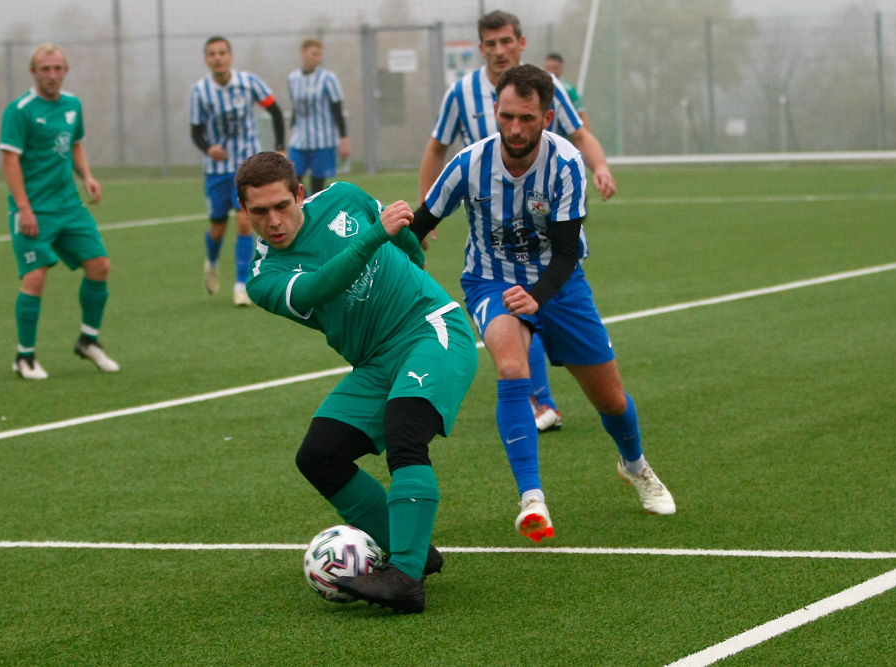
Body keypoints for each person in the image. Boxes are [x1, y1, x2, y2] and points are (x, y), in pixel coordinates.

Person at [412, 64, 675, 544]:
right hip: (491, 283)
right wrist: (403, 250)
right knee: (512, 368)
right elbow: (421, 221)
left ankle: (635, 465)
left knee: (610, 399)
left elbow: (568, 251)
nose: (515, 129)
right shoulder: (469, 164)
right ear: (494, 110)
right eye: (507, 116)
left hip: (561, 284)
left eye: (527, 119)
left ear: (547, 117)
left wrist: (536, 297)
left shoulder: (567, 163)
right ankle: (532, 499)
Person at [238, 152, 478, 613]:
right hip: (373, 362)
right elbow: (316, 289)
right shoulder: (264, 277)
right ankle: (412, 546)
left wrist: (412, 270)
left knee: (405, 433)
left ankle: (404, 577)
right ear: (243, 213)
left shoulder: (345, 196)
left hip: (430, 328)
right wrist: (375, 237)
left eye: (282, 206)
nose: (273, 221)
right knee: (319, 455)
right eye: (259, 212)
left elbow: (402, 236)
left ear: (300, 195)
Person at [419, 10, 616, 434]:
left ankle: (565, 412)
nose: (499, 50)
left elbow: (579, 135)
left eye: (506, 41)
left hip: (543, 216)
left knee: (541, 297)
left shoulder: (549, 89)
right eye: (490, 44)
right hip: (489, 230)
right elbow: (437, 150)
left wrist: (599, 165)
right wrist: (427, 206)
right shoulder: (461, 94)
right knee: (512, 312)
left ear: (520, 43)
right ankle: (538, 401)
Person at [0, 43, 120, 380]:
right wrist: (24, 209)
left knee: (99, 265)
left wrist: (88, 177)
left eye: (57, 68)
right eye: (44, 69)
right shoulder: (19, 110)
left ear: (65, 70)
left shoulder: (72, 105)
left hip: (69, 206)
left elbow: (75, 144)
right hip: (34, 209)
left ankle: (88, 341)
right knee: (35, 277)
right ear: (33, 73)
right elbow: (10, 161)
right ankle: (25, 358)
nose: (52, 75)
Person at [189, 36, 285, 306]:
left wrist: (279, 147)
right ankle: (211, 262)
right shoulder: (200, 91)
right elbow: (196, 131)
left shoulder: (249, 82)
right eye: (212, 54)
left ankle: (241, 285)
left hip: (247, 168)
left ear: (230, 57)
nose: (217, 58)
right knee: (218, 228)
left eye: (222, 53)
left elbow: (275, 111)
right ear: (207, 59)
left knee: (245, 221)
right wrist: (209, 148)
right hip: (216, 170)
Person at [287, 39, 351, 195]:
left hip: (322, 141)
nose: (318, 58)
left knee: (317, 186)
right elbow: (296, 107)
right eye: (314, 54)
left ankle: (314, 212)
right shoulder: (293, 79)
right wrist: (291, 129)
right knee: (291, 179)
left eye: (320, 55)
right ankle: (306, 204)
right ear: (303, 54)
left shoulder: (328, 78)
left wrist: (343, 138)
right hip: (300, 140)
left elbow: (337, 110)